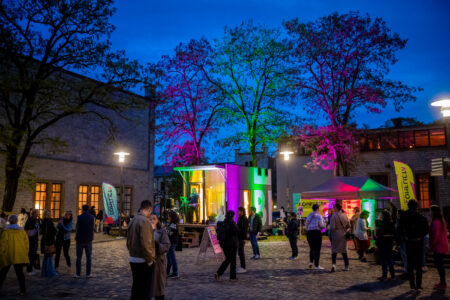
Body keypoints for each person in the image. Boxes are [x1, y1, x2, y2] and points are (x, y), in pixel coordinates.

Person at [127, 200, 155, 300]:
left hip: (133, 258)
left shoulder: (133, 220)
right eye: (150, 211)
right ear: (149, 209)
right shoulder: (144, 221)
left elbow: (128, 241)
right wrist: (150, 259)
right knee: (144, 290)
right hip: (142, 260)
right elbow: (146, 243)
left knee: (136, 288)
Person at [398, 200, 429, 291]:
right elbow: (426, 230)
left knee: (410, 264)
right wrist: (420, 236)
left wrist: (405, 236)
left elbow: (399, 229)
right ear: (416, 206)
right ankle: (418, 285)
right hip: (418, 241)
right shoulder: (420, 216)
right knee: (418, 264)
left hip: (409, 241)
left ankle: (412, 285)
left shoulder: (404, 216)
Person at [0, 215, 29, 296]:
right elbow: (26, 244)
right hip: (19, 255)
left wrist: (1, 254)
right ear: (16, 221)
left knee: (2, 273)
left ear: (9, 221)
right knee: (20, 274)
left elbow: (3, 245)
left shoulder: (6, 232)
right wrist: (25, 253)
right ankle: (23, 290)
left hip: (8, 256)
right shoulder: (22, 231)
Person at [150, 214, 170, 300]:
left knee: (159, 287)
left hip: (158, 262)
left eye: (154, 219)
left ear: (157, 220)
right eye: (150, 219)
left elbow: (167, 245)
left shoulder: (162, 231)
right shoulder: (145, 231)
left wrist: (157, 246)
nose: (152, 221)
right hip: (147, 262)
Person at [215, 210, 239, 281]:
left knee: (228, 259)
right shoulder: (232, 223)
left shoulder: (223, 223)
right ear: (232, 216)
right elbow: (237, 231)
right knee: (233, 261)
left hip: (225, 245)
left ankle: (218, 273)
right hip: (232, 244)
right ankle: (232, 277)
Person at [429, 205, 448, 290]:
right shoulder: (439, 220)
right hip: (440, 245)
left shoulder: (436, 222)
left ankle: (443, 283)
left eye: (430, 210)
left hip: (438, 246)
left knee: (439, 265)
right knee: (439, 265)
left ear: (434, 212)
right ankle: (442, 282)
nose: (429, 212)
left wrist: (432, 245)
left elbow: (436, 235)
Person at [74, 204, 95, 278]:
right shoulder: (92, 217)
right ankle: (88, 274)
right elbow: (92, 227)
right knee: (88, 257)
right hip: (88, 239)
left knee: (78, 257)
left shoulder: (79, 217)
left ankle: (78, 274)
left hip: (80, 239)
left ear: (82, 209)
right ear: (88, 209)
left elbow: (77, 227)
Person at [330, 202, 350, 272]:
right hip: (344, 234)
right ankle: (346, 266)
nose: (333, 208)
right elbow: (348, 225)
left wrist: (331, 233)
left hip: (336, 234)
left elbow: (332, 227)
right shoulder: (345, 215)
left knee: (334, 250)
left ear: (337, 208)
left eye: (334, 207)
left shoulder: (334, 216)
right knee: (344, 251)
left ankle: (333, 265)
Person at [375, 210, 395, 281]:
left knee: (383, 259)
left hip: (383, 242)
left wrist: (376, 241)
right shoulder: (391, 223)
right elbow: (394, 233)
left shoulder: (382, 223)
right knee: (389, 258)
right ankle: (393, 275)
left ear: (383, 216)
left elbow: (378, 234)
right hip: (390, 242)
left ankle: (385, 275)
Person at [306, 203, 325, 270]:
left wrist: (307, 229)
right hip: (316, 233)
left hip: (309, 232)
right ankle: (316, 265)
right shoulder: (319, 216)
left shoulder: (309, 215)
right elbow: (321, 225)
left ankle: (311, 262)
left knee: (312, 248)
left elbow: (307, 223)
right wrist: (325, 224)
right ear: (317, 209)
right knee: (317, 249)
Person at [40, 209, 57, 277]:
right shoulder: (49, 222)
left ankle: (44, 272)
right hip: (49, 241)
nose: (50, 215)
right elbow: (54, 231)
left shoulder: (43, 221)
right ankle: (51, 272)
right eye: (49, 214)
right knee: (50, 257)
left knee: (46, 257)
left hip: (44, 240)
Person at [24, 209, 40, 275]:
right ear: (33, 213)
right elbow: (27, 228)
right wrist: (34, 228)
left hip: (34, 239)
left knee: (32, 254)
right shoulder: (30, 220)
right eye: (37, 213)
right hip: (31, 240)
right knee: (31, 254)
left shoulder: (36, 220)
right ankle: (29, 270)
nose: (38, 214)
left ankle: (30, 268)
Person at [166, 210, 180, 279]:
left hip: (171, 242)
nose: (168, 217)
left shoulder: (172, 224)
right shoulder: (174, 223)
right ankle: (167, 272)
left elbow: (170, 233)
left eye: (169, 216)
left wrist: (165, 230)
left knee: (171, 258)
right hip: (172, 242)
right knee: (169, 258)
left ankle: (175, 272)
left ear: (172, 217)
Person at [236, 207, 249, 273]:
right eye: (238, 211)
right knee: (240, 253)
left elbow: (244, 230)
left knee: (241, 253)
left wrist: (244, 238)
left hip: (242, 238)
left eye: (239, 211)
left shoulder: (244, 219)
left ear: (242, 212)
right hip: (239, 238)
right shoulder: (239, 219)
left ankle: (243, 267)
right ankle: (242, 266)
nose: (238, 212)